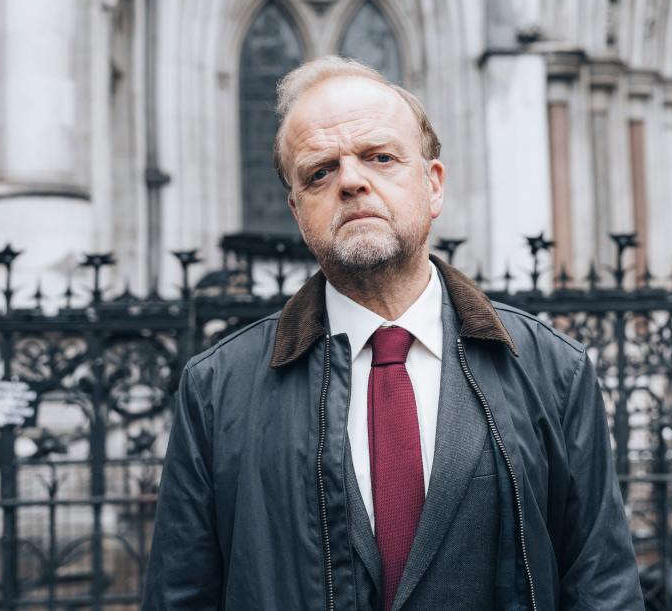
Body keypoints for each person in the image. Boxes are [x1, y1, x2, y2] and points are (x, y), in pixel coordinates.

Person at [142, 56, 644, 610]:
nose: (352, 181)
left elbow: (602, 588)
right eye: (320, 172)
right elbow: (180, 596)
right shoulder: (217, 389)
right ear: (297, 211)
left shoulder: (554, 370)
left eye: (380, 157)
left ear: (433, 185)